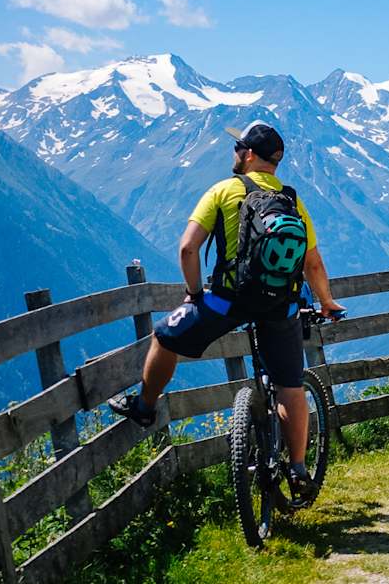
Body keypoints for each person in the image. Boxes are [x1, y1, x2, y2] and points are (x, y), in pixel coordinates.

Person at [109, 121, 345, 500]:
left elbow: (188, 248)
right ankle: (298, 468)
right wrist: (326, 302)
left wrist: (193, 295)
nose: (234, 152)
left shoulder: (223, 191)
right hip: (280, 305)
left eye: (238, 147)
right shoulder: (291, 201)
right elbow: (312, 263)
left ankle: (144, 407)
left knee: (165, 336)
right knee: (289, 386)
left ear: (248, 154)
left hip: (227, 302)